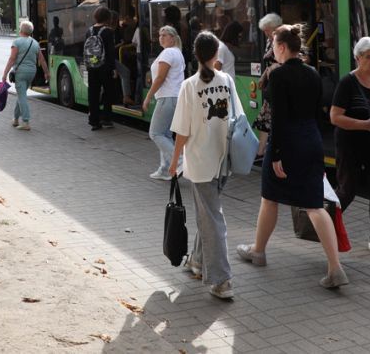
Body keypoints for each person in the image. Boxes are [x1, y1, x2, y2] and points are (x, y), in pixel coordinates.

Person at [236, 24, 348, 289]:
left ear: (282, 47)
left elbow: (280, 119)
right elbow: (316, 112)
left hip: (286, 142)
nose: (272, 50)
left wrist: (275, 155)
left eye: (274, 45)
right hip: (311, 141)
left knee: (269, 198)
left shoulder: (278, 76)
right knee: (314, 205)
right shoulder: (313, 73)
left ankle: (258, 251)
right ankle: (335, 267)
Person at [168, 31, 235, 300]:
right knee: (207, 214)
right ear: (216, 54)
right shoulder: (227, 80)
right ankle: (196, 261)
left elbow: (182, 132)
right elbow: (235, 119)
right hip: (223, 161)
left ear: (195, 55)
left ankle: (222, 280)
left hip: (200, 161)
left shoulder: (189, 86)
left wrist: (174, 162)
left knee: (213, 219)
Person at [329, 36, 370, 259]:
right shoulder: (347, 83)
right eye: (369, 57)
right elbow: (335, 117)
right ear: (358, 58)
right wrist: (365, 125)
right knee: (347, 190)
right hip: (350, 146)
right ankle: (323, 226)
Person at [141, 26, 186, 180]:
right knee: (165, 134)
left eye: (165, 35)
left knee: (155, 133)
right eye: (159, 35)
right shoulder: (177, 53)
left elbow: (160, 78)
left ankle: (179, 161)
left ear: (173, 38)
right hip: (175, 98)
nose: (161, 37)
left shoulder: (168, 52)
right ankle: (165, 169)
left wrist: (148, 96)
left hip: (167, 97)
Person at [1, 20, 49, 131]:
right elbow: (42, 60)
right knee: (21, 94)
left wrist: (5, 74)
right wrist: (46, 72)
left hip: (20, 73)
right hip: (32, 72)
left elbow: (12, 59)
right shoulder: (35, 43)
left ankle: (26, 121)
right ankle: (16, 119)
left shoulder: (17, 42)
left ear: (21, 30)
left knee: (22, 96)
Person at [253, 12, 282, 158]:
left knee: (269, 117)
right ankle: (261, 150)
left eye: (266, 30)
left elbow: (302, 57)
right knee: (265, 117)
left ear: (275, 27)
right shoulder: (270, 40)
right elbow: (269, 63)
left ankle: (262, 150)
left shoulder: (283, 39)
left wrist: (273, 68)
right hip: (271, 84)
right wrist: (265, 75)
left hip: (281, 84)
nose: (265, 33)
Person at [86, 6, 117, 131]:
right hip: (105, 67)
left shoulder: (89, 30)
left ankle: (94, 121)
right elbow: (110, 52)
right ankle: (106, 119)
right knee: (108, 92)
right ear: (107, 17)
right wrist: (113, 68)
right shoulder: (108, 32)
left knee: (93, 93)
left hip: (92, 66)